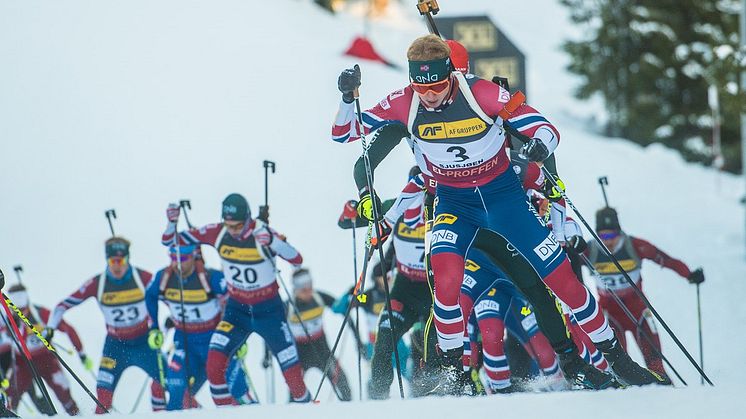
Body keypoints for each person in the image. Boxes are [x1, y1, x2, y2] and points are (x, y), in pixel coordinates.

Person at [331, 34, 664, 387]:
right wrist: (348, 98)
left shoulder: (483, 93)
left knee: (558, 282)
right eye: (420, 86)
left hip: (504, 200)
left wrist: (539, 147)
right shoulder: (405, 102)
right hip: (452, 203)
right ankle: (453, 369)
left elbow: (543, 128)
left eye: (440, 85)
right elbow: (346, 135)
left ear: (456, 75)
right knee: (445, 282)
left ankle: (610, 358)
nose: (429, 96)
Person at [162, 194, 311, 404]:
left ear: (248, 219)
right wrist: (171, 223)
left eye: (238, 225)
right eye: (228, 225)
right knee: (214, 366)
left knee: (294, 379)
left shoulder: (262, 232)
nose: (233, 230)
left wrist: (273, 242)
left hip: (269, 312)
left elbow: (297, 260)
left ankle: (309, 408)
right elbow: (170, 241)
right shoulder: (218, 233)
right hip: (237, 311)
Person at [46, 237, 166, 413]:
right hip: (115, 346)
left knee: (172, 384)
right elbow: (62, 306)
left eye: (120, 261)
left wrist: (171, 322)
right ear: (107, 260)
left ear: (127, 259)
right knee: (103, 396)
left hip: (144, 342)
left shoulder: (143, 278)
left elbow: (170, 296)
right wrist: (50, 327)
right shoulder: (98, 283)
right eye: (112, 261)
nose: (117, 266)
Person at [586, 207, 704, 380]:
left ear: (619, 232)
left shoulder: (635, 246)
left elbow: (666, 259)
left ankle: (667, 393)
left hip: (638, 312)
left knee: (655, 363)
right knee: (618, 368)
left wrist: (689, 274)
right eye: (603, 236)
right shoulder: (590, 250)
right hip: (610, 315)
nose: (608, 241)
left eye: (611, 236)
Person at [145, 244, 254, 410]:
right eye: (173, 258)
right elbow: (150, 296)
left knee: (237, 391)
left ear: (193, 257)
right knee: (176, 389)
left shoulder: (210, 277)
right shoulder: (164, 277)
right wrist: (154, 328)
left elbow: (236, 302)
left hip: (215, 341)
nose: (177, 264)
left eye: (182, 258)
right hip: (185, 343)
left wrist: (238, 338)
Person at [460, 253, 562, 393]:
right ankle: (497, 386)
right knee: (491, 335)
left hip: (512, 281)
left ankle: (557, 381)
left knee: (539, 342)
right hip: (485, 283)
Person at [3, 285, 85, 415]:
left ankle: (76, 415)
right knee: (11, 395)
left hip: (45, 358)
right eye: (15, 298)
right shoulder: (7, 319)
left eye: (21, 297)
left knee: (63, 391)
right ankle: (8, 414)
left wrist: (81, 353)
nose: (19, 302)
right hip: (22, 361)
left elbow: (67, 328)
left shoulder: (40, 313)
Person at [286, 269, 351, 401]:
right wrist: (268, 355)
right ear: (296, 289)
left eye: (310, 286)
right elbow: (274, 328)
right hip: (300, 355)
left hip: (322, 351)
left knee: (344, 387)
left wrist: (354, 296)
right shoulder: (288, 306)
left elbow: (341, 307)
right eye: (304, 289)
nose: (308, 291)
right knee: (295, 394)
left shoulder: (319, 297)